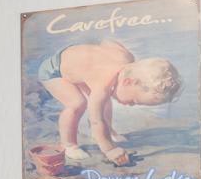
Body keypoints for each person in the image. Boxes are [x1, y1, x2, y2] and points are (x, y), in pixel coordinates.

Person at [36, 40, 182, 166]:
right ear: (128, 81)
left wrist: (88, 60)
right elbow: (96, 121)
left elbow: (108, 42)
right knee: (77, 103)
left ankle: (109, 131)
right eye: (133, 101)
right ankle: (68, 144)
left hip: (74, 64)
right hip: (54, 70)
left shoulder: (127, 59)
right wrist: (110, 149)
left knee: (103, 102)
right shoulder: (103, 84)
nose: (131, 105)